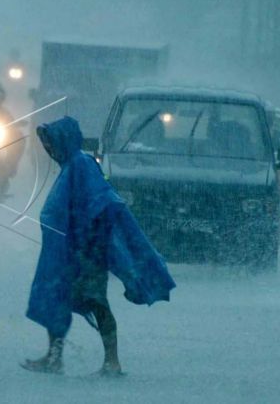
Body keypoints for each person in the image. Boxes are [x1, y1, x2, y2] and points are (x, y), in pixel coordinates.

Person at [23, 116, 176, 376]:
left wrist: (87, 242)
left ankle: (112, 362)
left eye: (52, 143)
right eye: (46, 145)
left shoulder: (81, 165)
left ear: (65, 140)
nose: (49, 149)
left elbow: (102, 202)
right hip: (65, 251)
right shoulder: (70, 167)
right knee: (56, 298)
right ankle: (54, 357)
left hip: (85, 251)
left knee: (96, 302)